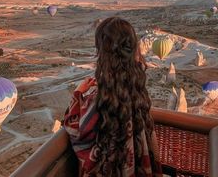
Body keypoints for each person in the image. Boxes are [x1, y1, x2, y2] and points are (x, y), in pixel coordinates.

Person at [64, 17, 163, 176]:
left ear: (103, 52)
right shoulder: (137, 89)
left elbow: (75, 129)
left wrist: (77, 94)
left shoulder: (102, 97)